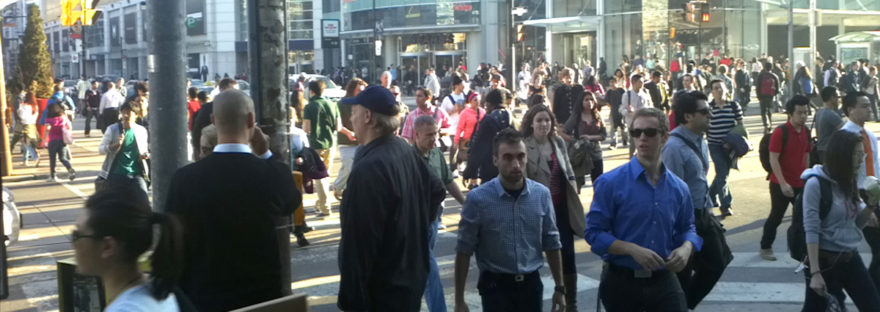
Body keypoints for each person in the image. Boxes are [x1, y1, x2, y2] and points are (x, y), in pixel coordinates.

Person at [165, 89, 300, 311]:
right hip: (261, 299)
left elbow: (171, 247)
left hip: (203, 299)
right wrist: (266, 154)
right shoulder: (270, 173)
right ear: (251, 120)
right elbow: (291, 201)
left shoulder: (184, 180)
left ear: (213, 121)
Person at [336, 85, 446, 311]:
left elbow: (359, 247)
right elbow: (436, 190)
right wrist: (415, 233)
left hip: (383, 292)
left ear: (368, 117)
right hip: (409, 280)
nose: (351, 118)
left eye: (354, 111)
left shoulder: (369, 168)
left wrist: (351, 302)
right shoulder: (402, 148)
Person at [585, 107, 702, 311]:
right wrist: (631, 249)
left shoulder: (679, 188)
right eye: (636, 132)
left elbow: (688, 228)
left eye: (649, 132)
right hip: (622, 281)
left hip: (664, 280)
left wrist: (686, 248)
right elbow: (594, 234)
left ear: (665, 137)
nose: (641, 138)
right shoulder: (610, 183)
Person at [454, 128, 566, 312]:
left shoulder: (541, 195)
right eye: (507, 157)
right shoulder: (478, 199)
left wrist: (560, 288)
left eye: (521, 156)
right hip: (495, 288)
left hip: (530, 285)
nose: (516, 164)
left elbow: (552, 242)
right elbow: (464, 250)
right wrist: (459, 300)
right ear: (495, 160)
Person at [664, 91, 733, 309]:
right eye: (704, 111)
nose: (710, 115)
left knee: (719, 260)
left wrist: (710, 210)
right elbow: (670, 192)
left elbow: (700, 180)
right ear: (687, 116)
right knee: (683, 273)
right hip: (685, 219)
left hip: (703, 213)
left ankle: (684, 304)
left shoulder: (700, 140)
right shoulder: (673, 148)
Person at [801, 130, 880, 311]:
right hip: (824, 262)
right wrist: (815, 273)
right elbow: (811, 230)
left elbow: (855, 225)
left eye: (863, 154)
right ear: (842, 155)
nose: (861, 160)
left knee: (873, 306)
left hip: (850, 257)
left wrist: (870, 207)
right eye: (857, 155)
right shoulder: (815, 184)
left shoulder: (849, 180)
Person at [72, 186, 183, 312]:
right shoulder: (158, 291)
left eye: (77, 235)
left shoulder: (125, 308)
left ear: (108, 246)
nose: (74, 244)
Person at [520, 105, 587, 310]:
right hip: (536, 210)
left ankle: (570, 302)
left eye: (547, 120)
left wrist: (574, 190)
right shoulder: (524, 145)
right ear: (531, 123)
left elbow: (568, 170)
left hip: (561, 208)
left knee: (567, 254)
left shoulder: (557, 142)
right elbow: (522, 179)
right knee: (532, 256)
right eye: (539, 120)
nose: (544, 124)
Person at [412, 115, 466, 312]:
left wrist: (465, 204)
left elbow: (448, 180)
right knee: (430, 270)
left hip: (434, 219)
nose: (434, 139)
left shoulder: (436, 154)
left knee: (421, 269)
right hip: (416, 224)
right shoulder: (408, 158)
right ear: (416, 135)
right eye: (429, 135)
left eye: (435, 133)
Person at [760, 95, 811, 261]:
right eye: (799, 112)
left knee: (803, 219)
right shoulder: (780, 132)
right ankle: (765, 247)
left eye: (805, 112)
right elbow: (774, 159)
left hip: (800, 183)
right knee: (776, 216)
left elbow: (807, 154)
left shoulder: (806, 131)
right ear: (790, 113)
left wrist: (808, 176)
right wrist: (783, 183)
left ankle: (801, 250)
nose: (803, 116)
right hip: (780, 184)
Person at [838, 91, 880, 293]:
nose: (869, 108)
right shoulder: (846, 136)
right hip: (860, 197)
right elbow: (846, 175)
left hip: (874, 194)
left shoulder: (869, 134)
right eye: (863, 105)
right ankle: (871, 293)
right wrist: (864, 207)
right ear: (850, 110)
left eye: (869, 104)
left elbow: (876, 168)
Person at [304, 80, 355, 217]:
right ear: (323, 90)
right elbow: (338, 127)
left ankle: (325, 208)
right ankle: (321, 203)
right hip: (331, 143)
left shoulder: (309, 107)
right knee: (325, 175)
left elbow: (306, 129)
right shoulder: (332, 105)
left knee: (319, 178)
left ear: (311, 91)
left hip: (315, 144)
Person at [707, 79, 744, 217]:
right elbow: (705, 127)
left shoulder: (734, 106)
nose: (719, 91)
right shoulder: (709, 108)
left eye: (721, 88)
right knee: (722, 173)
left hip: (730, 146)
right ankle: (725, 205)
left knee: (723, 174)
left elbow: (740, 126)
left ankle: (710, 195)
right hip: (715, 145)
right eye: (716, 88)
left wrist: (734, 140)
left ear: (726, 90)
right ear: (712, 92)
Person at [462, 88, 512, 188]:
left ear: (490, 104)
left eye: (486, 105)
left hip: (491, 169)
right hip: (510, 169)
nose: (486, 108)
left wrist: (469, 171)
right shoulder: (512, 119)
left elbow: (478, 148)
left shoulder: (488, 121)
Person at [98, 102, 150, 196]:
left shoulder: (141, 131)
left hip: (136, 174)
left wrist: (144, 155)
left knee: (144, 201)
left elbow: (145, 151)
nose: (125, 115)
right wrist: (115, 145)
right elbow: (101, 149)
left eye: (129, 113)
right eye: (123, 112)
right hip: (117, 175)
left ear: (136, 115)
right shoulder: (112, 129)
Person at [562, 90, 606, 189]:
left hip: (596, 153)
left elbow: (603, 135)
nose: (589, 102)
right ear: (581, 102)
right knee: (577, 185)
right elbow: (563, 132)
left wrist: (590, 137)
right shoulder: (576, 116)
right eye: (586, 100)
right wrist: (574, 141)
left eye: (591, 99)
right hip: (580, 155)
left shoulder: (597, 116)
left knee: (598, 184)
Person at [332, 78, 367, 199]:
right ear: (352, 90)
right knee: (348, 165)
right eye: (359, 90)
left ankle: (353, 191)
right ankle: (338, 187)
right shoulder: (341, 104)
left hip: (362, 141)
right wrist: (348, 133)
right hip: (346, 142)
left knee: (360, 168)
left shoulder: (364, 104)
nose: (361, 93)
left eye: (363, 90)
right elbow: (337, 125)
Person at [191, 78, 237, 165]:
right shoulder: (208, 108)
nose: (236, 94)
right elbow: (197, 133)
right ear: (222, 90)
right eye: (232, 90)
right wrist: (203, 153)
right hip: (211, 157)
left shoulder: (239, 108)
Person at [620, 74, 651, 157]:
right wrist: (628, 111)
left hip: (645, 122)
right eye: (640, 82)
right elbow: (622, 109)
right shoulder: (627, 95)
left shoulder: (645, 93)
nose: (642, 84)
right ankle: (632, 159)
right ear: (634, 82)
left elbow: (649, 106)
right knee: (634, 143)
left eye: (643, 82)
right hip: (633, 123)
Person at [43, 102, 75, 182]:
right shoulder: (63, 118)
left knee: (52, 159)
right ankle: (69, 168)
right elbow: (69, 127)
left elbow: (47, 130)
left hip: (52, 141)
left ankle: (53, 176)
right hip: (62, 141)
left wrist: (44, 141)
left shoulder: (49, 119)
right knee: (63, 158)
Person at [452, 92, 484, 171]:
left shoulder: (483, 112)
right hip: (468, 140)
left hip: (480, 139)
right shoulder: (465, 113)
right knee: (468, 157)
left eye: (478, 100)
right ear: (470, 102)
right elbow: (460, 128)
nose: (477, 102)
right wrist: (456, 141)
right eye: (475, 100)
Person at [814, 87, 845, 163]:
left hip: (820, 149)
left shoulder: (819, 112)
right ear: (832, 98)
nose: (839, 99)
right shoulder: (831, 114)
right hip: (830, 150)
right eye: (837, 97)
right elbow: (845, 131)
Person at [11, 92, 40, 166]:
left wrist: (19, 110)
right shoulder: (35, 106)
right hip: (32, 125)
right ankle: (25, 160)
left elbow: (22, 116)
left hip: (24, 125)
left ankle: (35, 157)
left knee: (26, 143)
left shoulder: (24, 106)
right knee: (26, 143)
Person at [756, 62, 781, 134]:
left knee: (763, 111)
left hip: (762, 96)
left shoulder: (761, 76)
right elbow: (777, 88)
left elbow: (758, 86)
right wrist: (774, 94)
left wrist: (758, 95)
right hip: (770, 96)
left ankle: (765, 124)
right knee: (770, 110)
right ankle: (770, 124)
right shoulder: (774, 76)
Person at [606, 77, 627, 149]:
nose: (611, 84)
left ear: (616, 82)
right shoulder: (609, 92)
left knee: (623, 127)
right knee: (613, 127)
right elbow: (607, 102)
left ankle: (625, 140)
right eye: (610, 82)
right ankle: (613, 143)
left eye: (613, 82)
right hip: (613, 111)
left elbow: (625, 100)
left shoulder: (621, 90)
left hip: (621, 111)